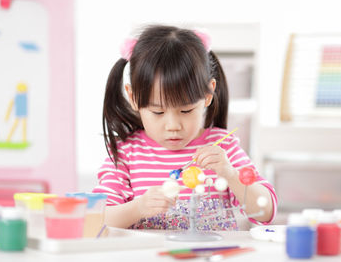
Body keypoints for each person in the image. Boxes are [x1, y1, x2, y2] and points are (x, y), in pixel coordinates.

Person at [93, 25, 277, 230]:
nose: (173, 126)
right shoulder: (126, 153)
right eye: (158, 112)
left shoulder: (223, 147)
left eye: (186, 111)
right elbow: (98, 219)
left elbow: (265, 210)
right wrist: (138, 208)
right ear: (134, 98)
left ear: (208, 94)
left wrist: (231, 175)